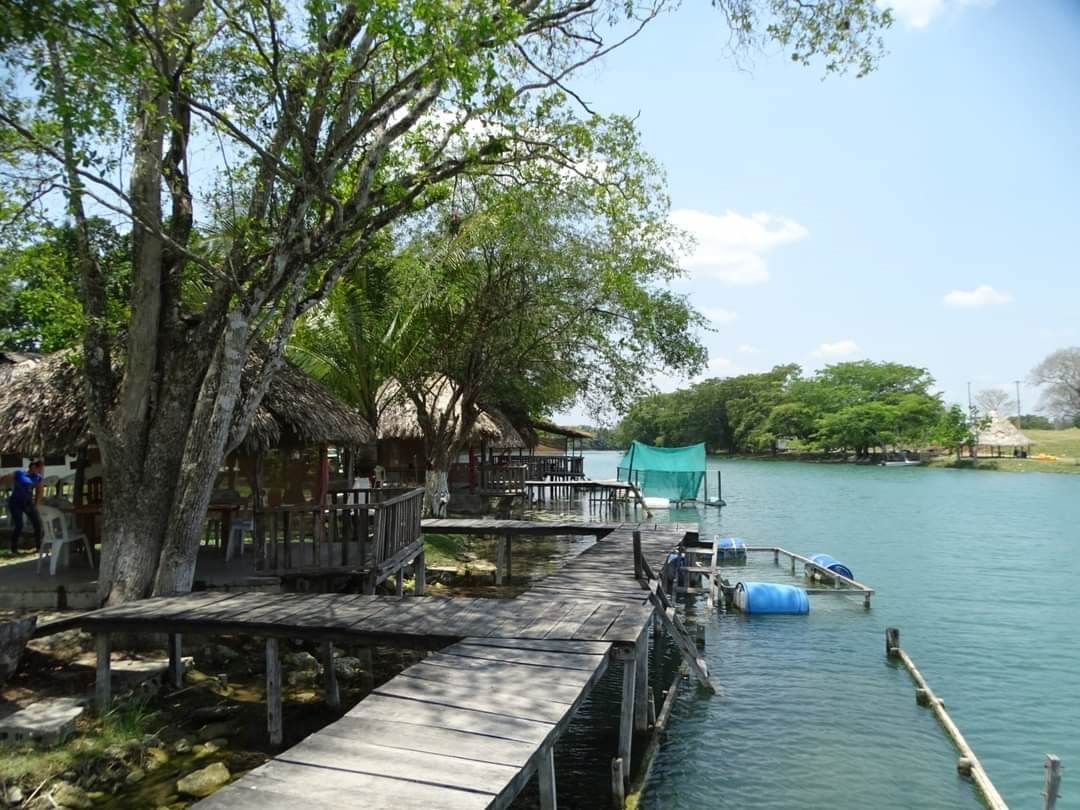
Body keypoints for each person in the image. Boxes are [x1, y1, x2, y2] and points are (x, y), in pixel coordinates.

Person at [8, 458, 45, 554]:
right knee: (19, 525)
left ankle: (38, 546)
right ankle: (14, 549)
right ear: (33, 467)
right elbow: (5, 478)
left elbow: (39, 491)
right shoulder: (20, 474)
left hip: (28, 503)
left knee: (37, 524)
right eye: (39, 468)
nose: (40, 470)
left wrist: (37, 504)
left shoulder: (38, 478)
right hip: (15, 503)